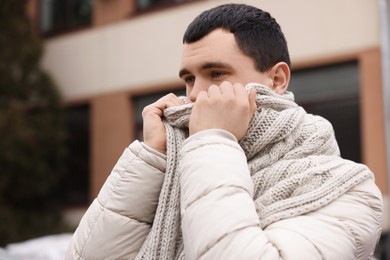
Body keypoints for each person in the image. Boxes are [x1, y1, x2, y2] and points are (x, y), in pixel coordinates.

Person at [66, 3, 383, 260]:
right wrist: (152, 159)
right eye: (189, 79)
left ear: (276, 80)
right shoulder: (182, 166)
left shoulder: (345, 190)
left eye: (216, 73)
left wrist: (213, 140)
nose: (193, 95)